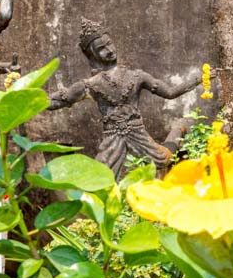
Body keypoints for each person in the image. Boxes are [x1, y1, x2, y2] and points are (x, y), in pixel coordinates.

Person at [49, 19, 201, 175]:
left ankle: (179, 127)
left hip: (136, 131)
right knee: (102, 176)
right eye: (101, 48)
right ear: (92, 55)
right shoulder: (89, 85)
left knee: (163, 159)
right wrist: (29, 98)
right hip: (112, 136)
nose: (109, 50)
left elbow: (169, 92)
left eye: (109, 43)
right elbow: (60, 99)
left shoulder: (137, 76)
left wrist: (198, 79)